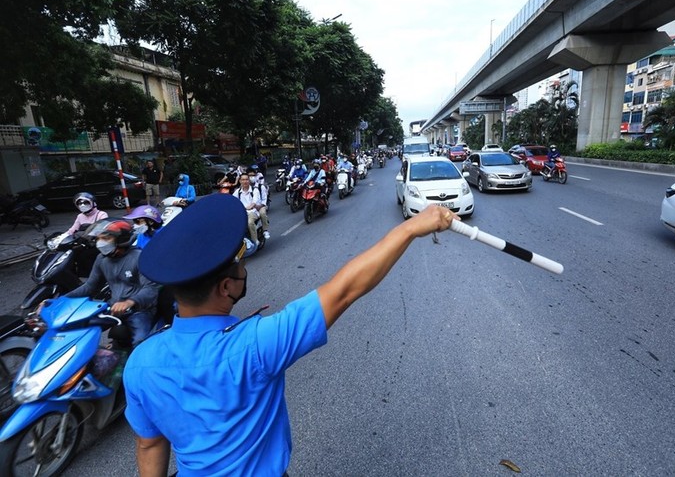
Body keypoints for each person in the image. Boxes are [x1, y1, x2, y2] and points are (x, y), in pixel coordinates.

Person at [123, 194, 457, 476]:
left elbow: (149, 443)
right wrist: (412, 227)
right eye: (239, 267)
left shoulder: (140, 363)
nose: (244, 271)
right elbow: (343, 290)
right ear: (226, 287)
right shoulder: (255, 345)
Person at [65, 219, 158, 347]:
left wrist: (129, 302)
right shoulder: (102, 259)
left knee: (140, 343)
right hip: (112, 308)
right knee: (77, 329)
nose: (100, 243)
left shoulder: (139, 257)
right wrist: (63, 299)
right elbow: (90, 286)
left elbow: (150, 289)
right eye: (98, 239)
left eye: (105, 238)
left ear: (121, 240)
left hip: (140, 310)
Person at [232, 173, 269, 250]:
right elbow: (232, 201)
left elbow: (254, 202)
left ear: (249, 181)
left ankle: (255, 240)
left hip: (253, 211)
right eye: (243, 180)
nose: (245, 181)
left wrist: (248, 207)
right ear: (240, 181)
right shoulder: (237, 192)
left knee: (249, 222)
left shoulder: (255, 190)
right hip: (242, 213)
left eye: (246, 179)